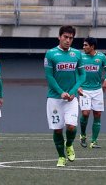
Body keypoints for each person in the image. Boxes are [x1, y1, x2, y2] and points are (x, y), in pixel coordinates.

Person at [44, 25, 85, 167]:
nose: (68, 40)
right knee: (57, 129)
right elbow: (49, 77)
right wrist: (61, 92)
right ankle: (61, 157)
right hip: (55, 98)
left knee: (71, 127)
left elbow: (82, 75)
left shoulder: (77, 54)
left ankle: (69, 145)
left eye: (71, 38)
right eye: (65, 37)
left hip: (71, 99)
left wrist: (72, 91)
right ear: (59, 37)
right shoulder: (50, 54)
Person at [78, 37, 106, 149]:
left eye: (86, 45)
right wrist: (77, 86)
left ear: (92, 46)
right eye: (83, 45)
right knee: (85, 113)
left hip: (97, 91)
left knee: (97, 114)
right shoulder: (80, 56)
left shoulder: (101, 57)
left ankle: (94, 142)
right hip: (84, 90)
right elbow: (74, 72)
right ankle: (83, 136)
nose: (84, 47)